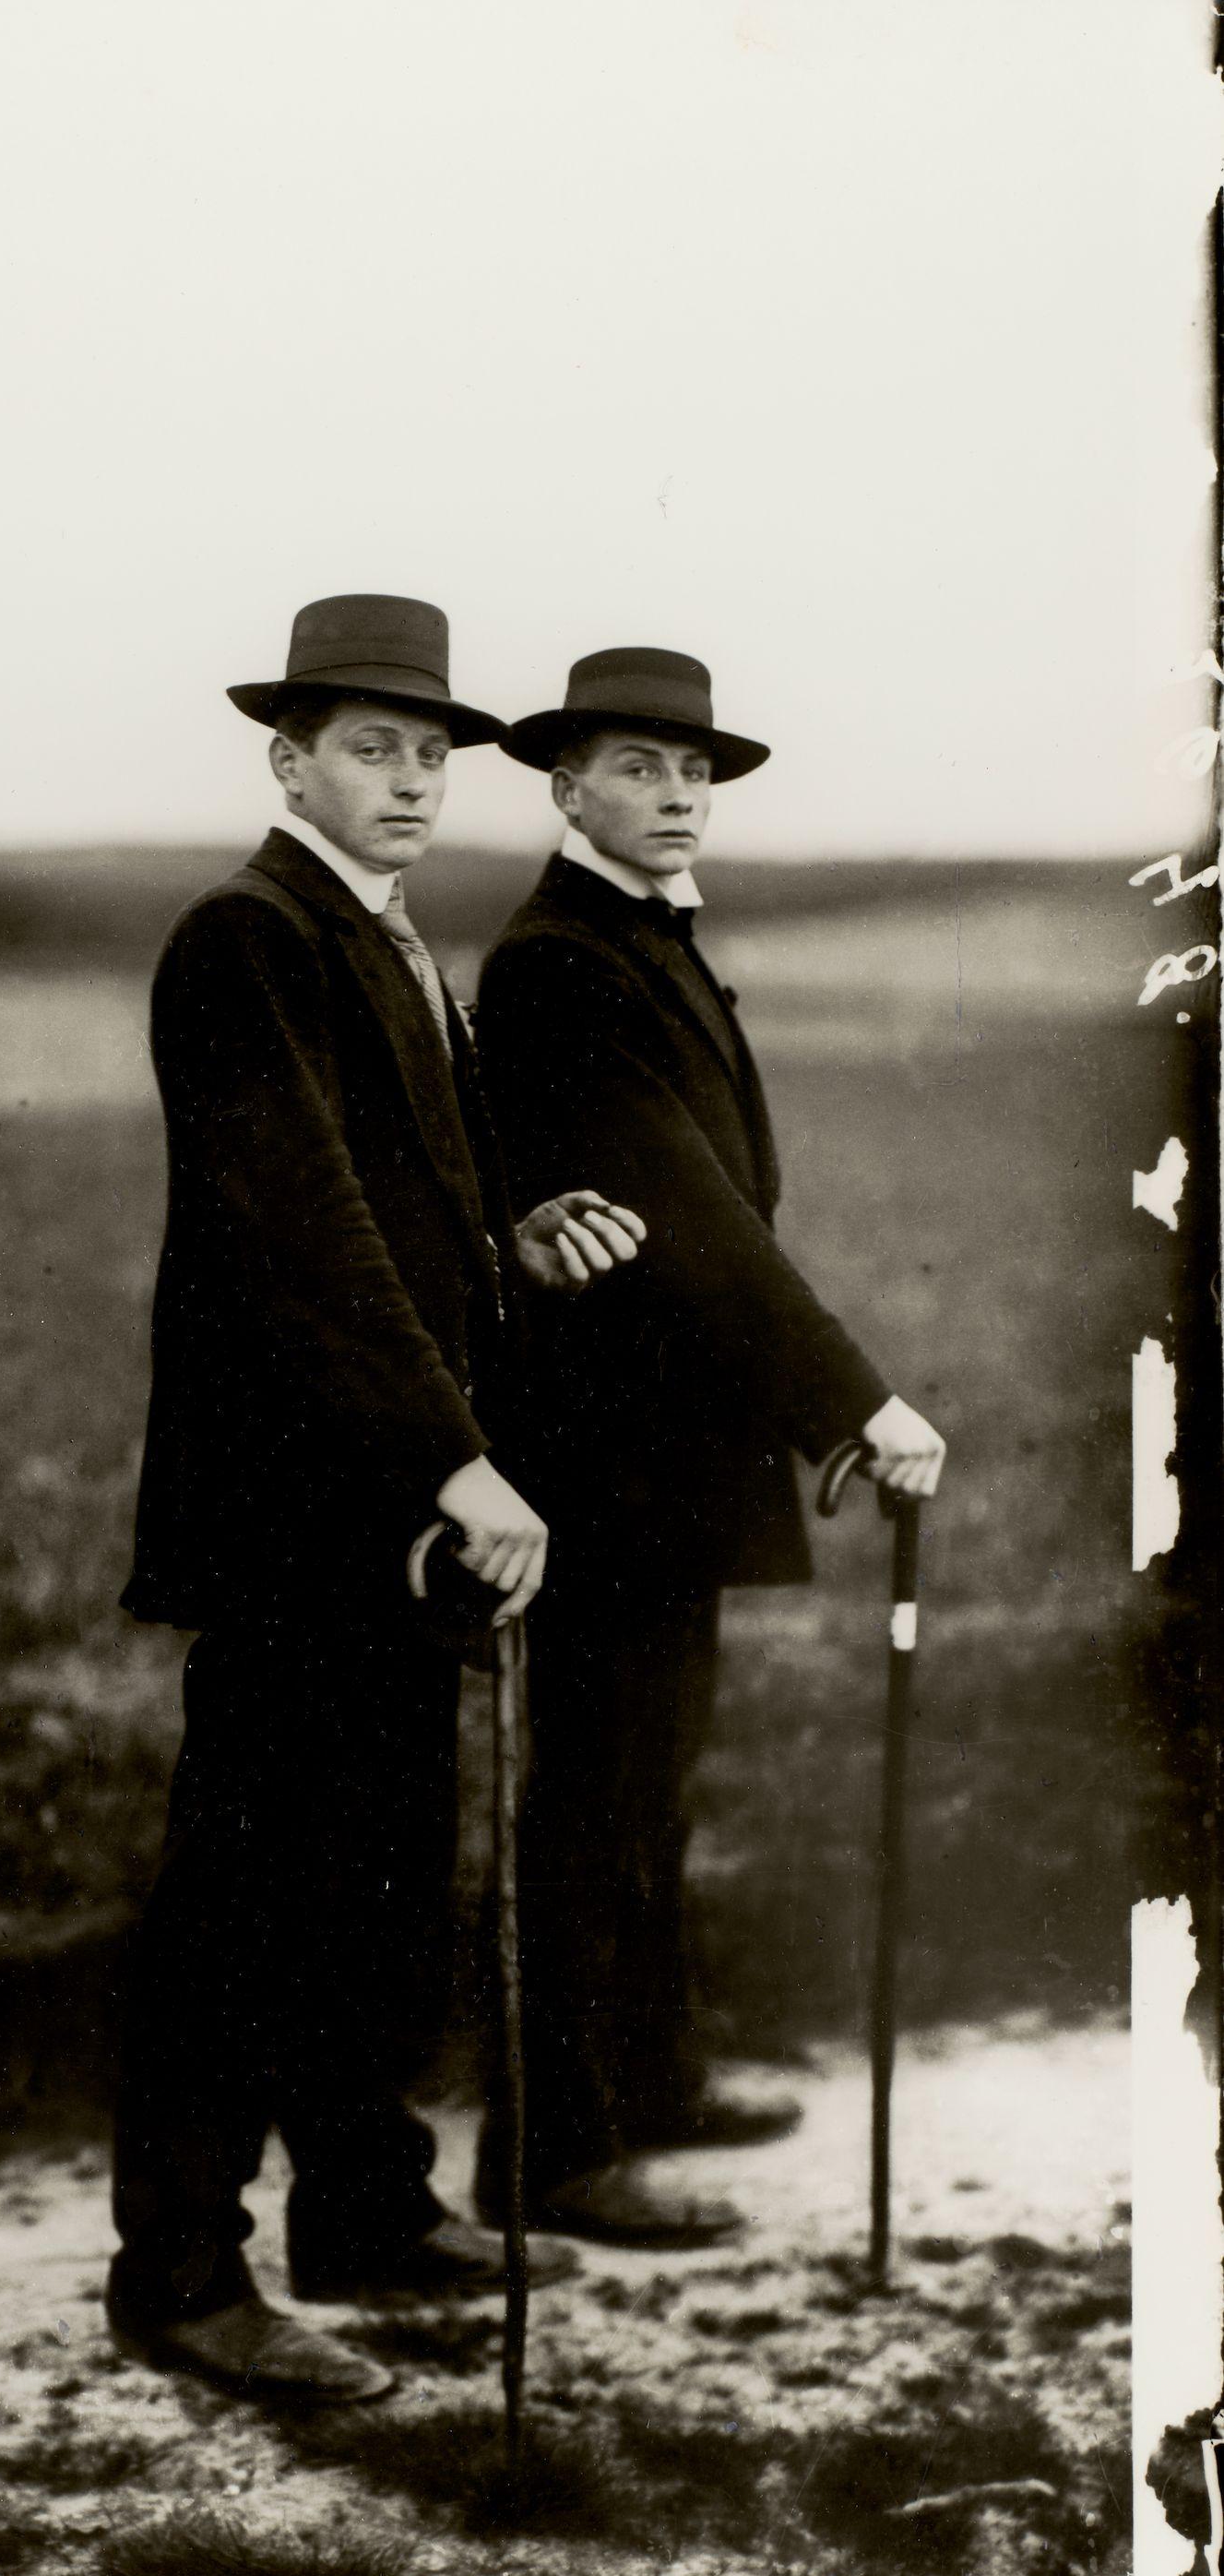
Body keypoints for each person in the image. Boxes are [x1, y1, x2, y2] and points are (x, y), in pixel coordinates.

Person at [110, 594, 636, 2403]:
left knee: (379, 1876)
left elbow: (403, 1213)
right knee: (242, 1897)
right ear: (288, 759)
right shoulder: (243, 937)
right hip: (291, 1514)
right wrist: (457, 1456)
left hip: (384, 1513)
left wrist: (508, 1242)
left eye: (429, 754)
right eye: (370, 749)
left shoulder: (385, 939)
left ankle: (365, 2205)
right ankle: (179, 2273)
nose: (410, 780)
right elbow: (302, 1235)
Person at [474, 647, 946, 2247]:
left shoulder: (637, 942)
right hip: (603, 1454)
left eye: (695, 773)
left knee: (651, 1783)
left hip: (671, 1450)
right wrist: (854, 1401)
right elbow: (693, 1219)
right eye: (638, 768)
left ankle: (656, 2077)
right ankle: (553, 2148)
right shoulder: (558, 963)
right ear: (566, 788)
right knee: (596, 1792)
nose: (676, 795)